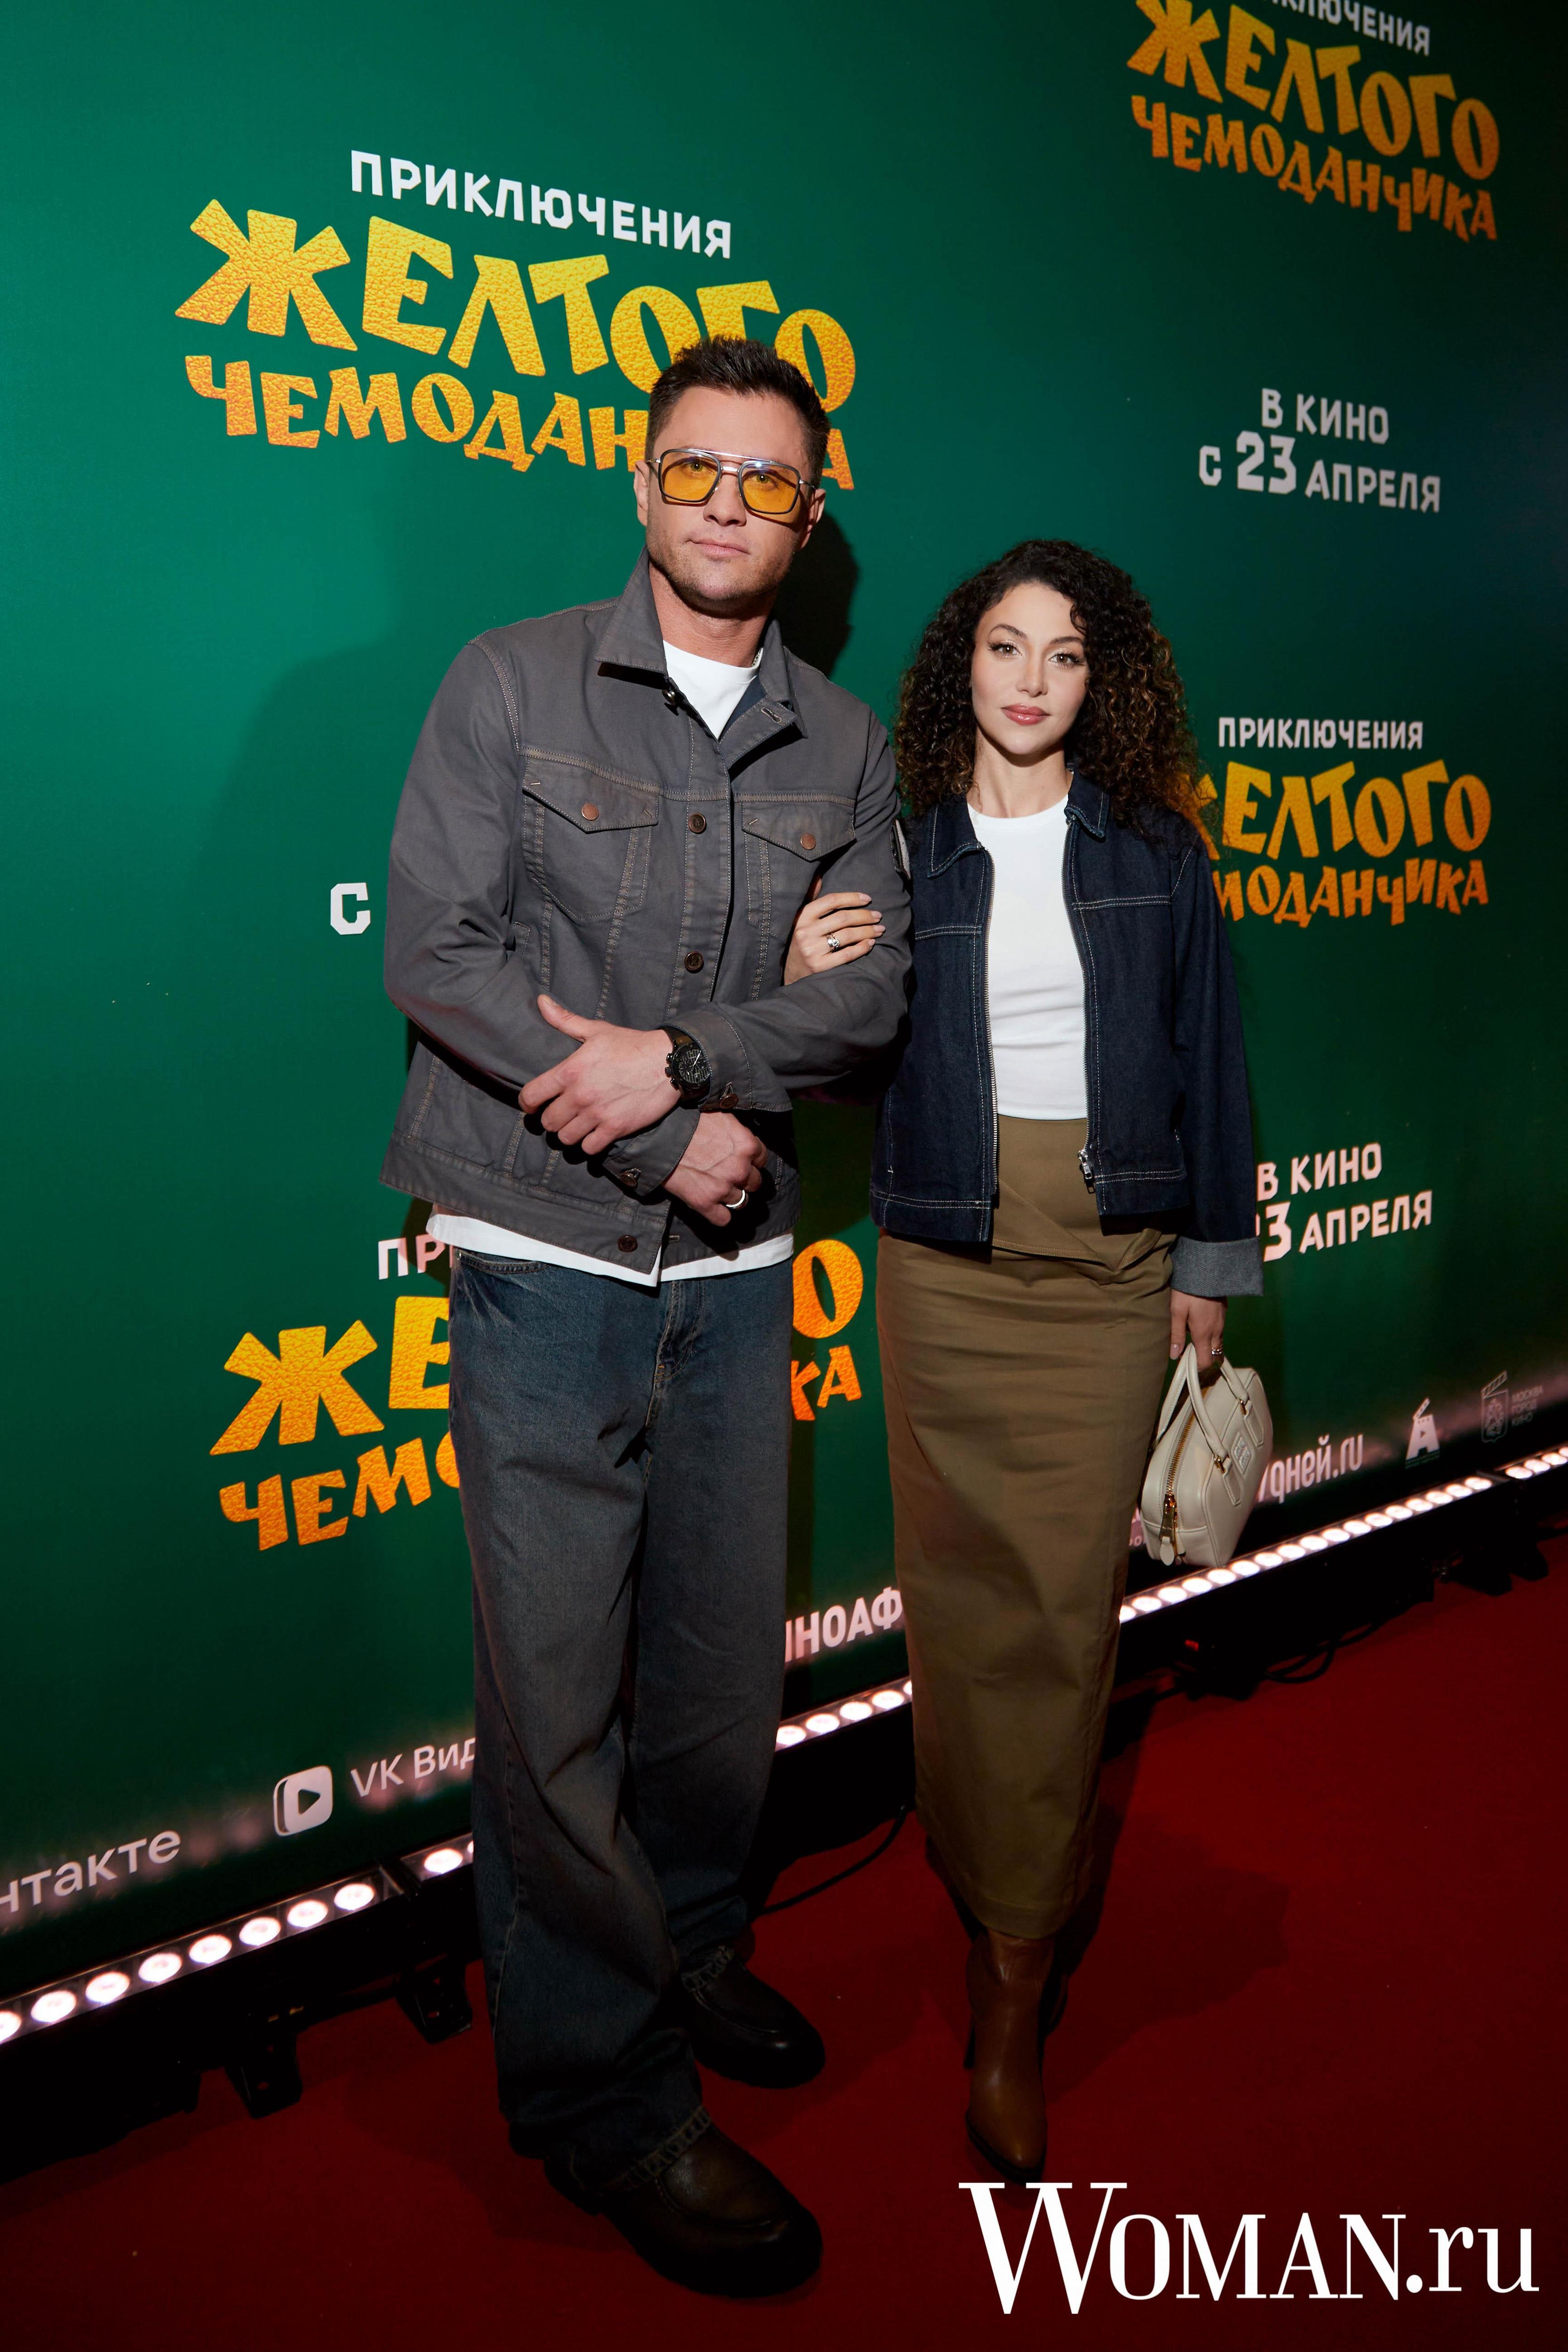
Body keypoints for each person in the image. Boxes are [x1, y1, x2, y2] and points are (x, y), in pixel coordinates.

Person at [380, 335, 911, 2296]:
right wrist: (678, 1127)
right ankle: (606, 2097)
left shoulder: (847, 745)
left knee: (706, 1683)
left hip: (743, 1274)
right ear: (641, 478)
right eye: (697, 468)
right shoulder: (509, 681)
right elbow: (439, 946)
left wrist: (688, 1063)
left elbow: (871, 996)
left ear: (812, 509)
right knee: (555, 1703)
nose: (727, 506)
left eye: (769, 481)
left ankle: (690, 1947)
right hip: (542, 1260)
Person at [788, 540, 1260, 2181]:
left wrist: (1209, 1262)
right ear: (960, 666)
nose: (1033, 679)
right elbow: (849, 1078)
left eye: (1066, 654)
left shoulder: (1156, 852)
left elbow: (1212, 1058)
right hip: (944, 1262)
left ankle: (1013, 1972)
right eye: (1006, 645)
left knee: (1063, 1619)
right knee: (960, 1603)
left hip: (1111, 1261)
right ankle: (980, 1861)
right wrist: (810, 983)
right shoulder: (902, 852)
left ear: (1099, 681)